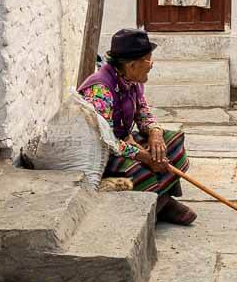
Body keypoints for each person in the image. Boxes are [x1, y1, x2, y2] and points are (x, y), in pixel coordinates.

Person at [78, 28, 196, 225]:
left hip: (124, 141)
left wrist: (155, 133)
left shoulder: (132, 80)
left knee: (170, 144)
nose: (151, 65)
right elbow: (105, 141)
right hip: (103, 153)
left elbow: (143, 113)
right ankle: (162, 205)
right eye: (148, 60)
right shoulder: (100, 89)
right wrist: (143, 156)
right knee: (138, 168)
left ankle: (163, 198)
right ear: (132, 65)